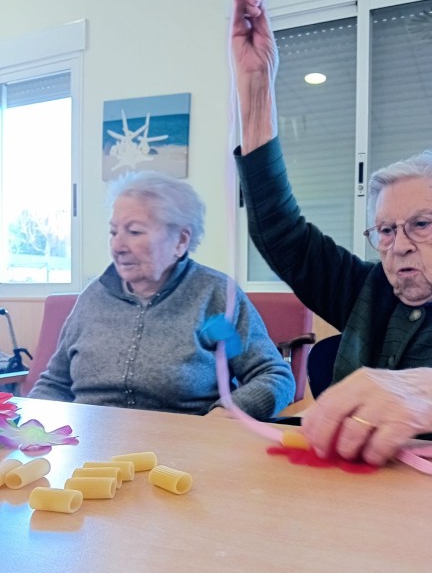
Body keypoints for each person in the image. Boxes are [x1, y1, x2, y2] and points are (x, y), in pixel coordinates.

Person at [230, 0, 432, 461]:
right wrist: (256, 90)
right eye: (385, 231)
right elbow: (280, 233)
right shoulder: (369, 290)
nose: (398, 245)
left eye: (422, 224)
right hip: (351, 494)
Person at [28, 170, 295, 419]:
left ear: (181, 240)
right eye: (113, 232)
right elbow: (54, 383)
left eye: (134, 231)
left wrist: (224, 416)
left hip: (182, 445)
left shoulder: (214, 295)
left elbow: (274, 376)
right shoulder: (93, 298)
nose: (117, 246)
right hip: (88, 442)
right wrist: (30, 426)